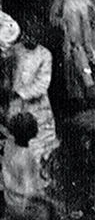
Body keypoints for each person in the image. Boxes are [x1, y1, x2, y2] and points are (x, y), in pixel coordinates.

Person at [8, 21, 59, 165]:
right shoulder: (14, 51)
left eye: (35, 36)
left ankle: (40, 173)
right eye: (29, 35)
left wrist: (21, 93)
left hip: (38, 106)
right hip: (17, 106)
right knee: (18, 143)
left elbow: (43, 83)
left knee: (40, 144)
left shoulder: (45, 55)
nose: (31, 38)